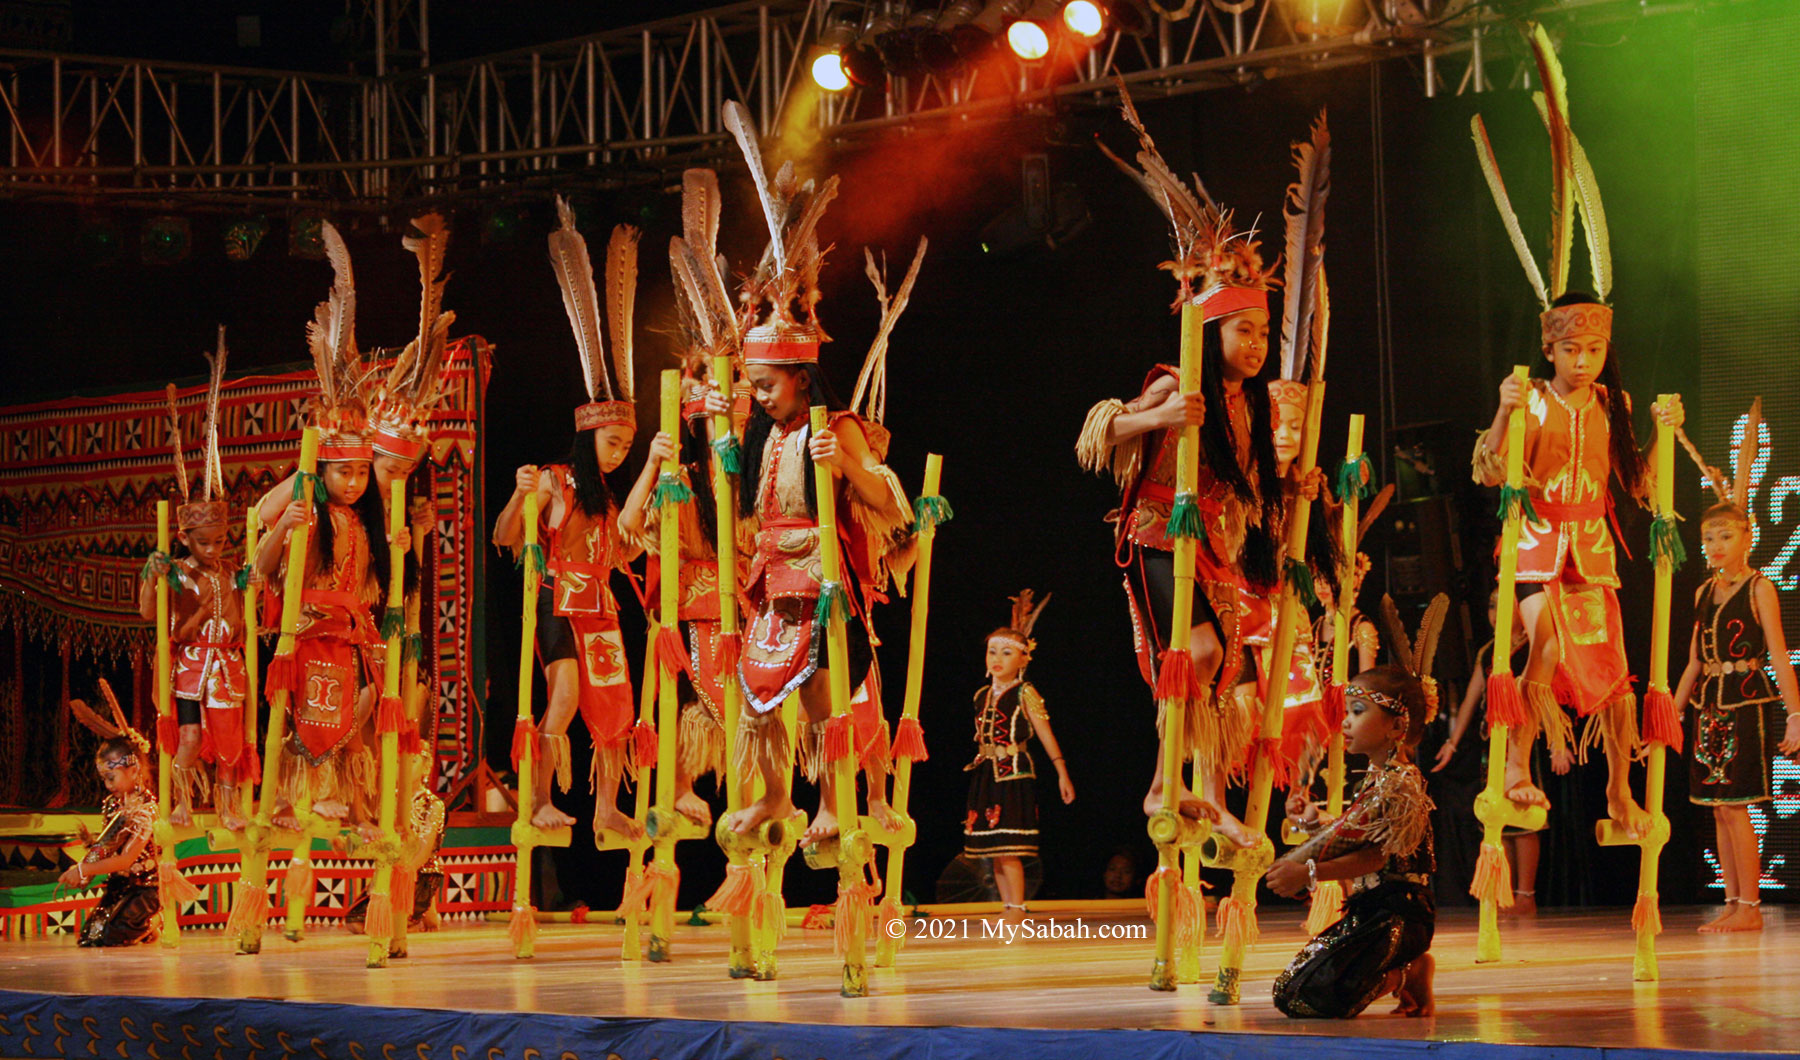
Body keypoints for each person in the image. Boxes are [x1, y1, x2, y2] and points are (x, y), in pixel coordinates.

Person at [1468, 22, 1682, 837]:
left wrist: (1661, 433)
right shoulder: (1533, 399)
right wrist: (1501, 407)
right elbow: (1490, 471)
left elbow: (1637, 488)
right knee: (1546, 652)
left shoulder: (1612, 409)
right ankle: (1520, 769)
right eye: (1572, 347)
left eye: (1595, 347)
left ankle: (1621, 799)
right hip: (1533, 551)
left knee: (1619, 680)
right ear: (1548, 346)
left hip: (1592, 552)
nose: (1585, 359)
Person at [711, 110, 916, 844]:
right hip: (773, 582)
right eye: (754, 385)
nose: (760, 395)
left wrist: (847, 472)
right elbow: (734, 491)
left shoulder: (838, 428)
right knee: (760, 698)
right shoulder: (766, 433)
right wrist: (723, 426)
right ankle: (772, 798)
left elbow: (889, 499)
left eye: (767, 384)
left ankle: (837, 806)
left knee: (831, 700)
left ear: (801, 377)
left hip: (826, 581)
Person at [1081, 87, 1281, 838]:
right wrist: (1162, 415)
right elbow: (1103, 431)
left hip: (1218, 543)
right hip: (1161, 531)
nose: (1256, 345)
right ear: (1212, 330)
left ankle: (1186, 786)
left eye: (1263, 332)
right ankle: (1164, 785)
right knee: (1192, 650)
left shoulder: (1245, 407)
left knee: (1217, 666)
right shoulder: (1178, 380)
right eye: (1244, 332)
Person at [492, 205, 649, 838]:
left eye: (626, 446)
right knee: (560, 699)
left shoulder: (609, 500)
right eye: (612, 444)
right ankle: (536, 801)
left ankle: (607, 808)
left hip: (603, 609)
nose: (619, 453)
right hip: (559, 603)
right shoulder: (556, 481)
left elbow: (620, 561)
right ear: (589, 437)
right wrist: (515, 497)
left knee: (616, 711)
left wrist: (641, 535)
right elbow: (506, 538)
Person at [256, 222, 398, 840]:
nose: (355, 483)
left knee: (361, 708)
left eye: (361, 474)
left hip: (351, 629)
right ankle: (293, 798)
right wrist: (306, 476)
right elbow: (264, 515)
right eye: (345, 472)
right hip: (310, 626)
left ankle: (345, 797)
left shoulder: (361, 519)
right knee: (300, 712)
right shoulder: (308, 503)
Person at [1671, 401, 1800, 932]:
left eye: (1726, 536)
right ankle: (1730, 901)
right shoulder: (1704, 591)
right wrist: (1669, 716)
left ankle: (1749, 907)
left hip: (1747, 703)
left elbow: (1775, 652)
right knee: (1718, 808)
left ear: (1746, 539)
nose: (1716, 546)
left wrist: (1795, 716)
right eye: (1709, 538)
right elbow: (1694, 663)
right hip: (1710, 710)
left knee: (1740, 805)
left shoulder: (1760, 587)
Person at [1268, 664, 1438, 1018]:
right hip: (1369, 912)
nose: (1345, 721)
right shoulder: (1376, 781)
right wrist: (1313, 822)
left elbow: (1376, 857)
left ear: (1396, 726)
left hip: (1399, 915)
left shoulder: (1402, 784)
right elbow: (1353, 838)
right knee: (1290, 991)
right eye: (1346, 712)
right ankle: (1403, 971)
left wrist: (1308, 871)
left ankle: (1406, 974)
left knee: (1306, 999)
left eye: (1357, 712)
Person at [139, 336, 250, 829]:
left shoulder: (230, 571)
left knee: (229, 744)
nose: (214, 550)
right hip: (190, 665)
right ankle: (181, 804)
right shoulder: (178, 571)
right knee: (187, 739)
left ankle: (227, 808)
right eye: (205, 543)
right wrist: (165, 587)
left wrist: (246, 599)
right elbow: (161, 622)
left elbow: (245, 619)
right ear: (186, 538)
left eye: (221, 541)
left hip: (226, 668)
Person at [962, 591, 1075, 913]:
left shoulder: (1026, 692)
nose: (997, 658)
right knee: (994, 848)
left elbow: (1044, 733)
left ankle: (1018, 906)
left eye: (1007, 652)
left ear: (1023, 659)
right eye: (992, 651)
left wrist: (1061, 772)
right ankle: (1007, 906)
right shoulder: (981, 694)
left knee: (1008, 846)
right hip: (986, 771)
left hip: (1012, 770)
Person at [64, 732, 162, 947]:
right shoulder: (111, 805)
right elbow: (107, 847)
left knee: (109, 936)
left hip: (144, 888)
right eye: (104, 779)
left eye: (111, 778)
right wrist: (86, 874)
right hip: (118, 886)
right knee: (91, 937)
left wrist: (84, 870)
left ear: (134, 771)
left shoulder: (146, 809)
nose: (108, 785)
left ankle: (153, 921)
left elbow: (126, 860)